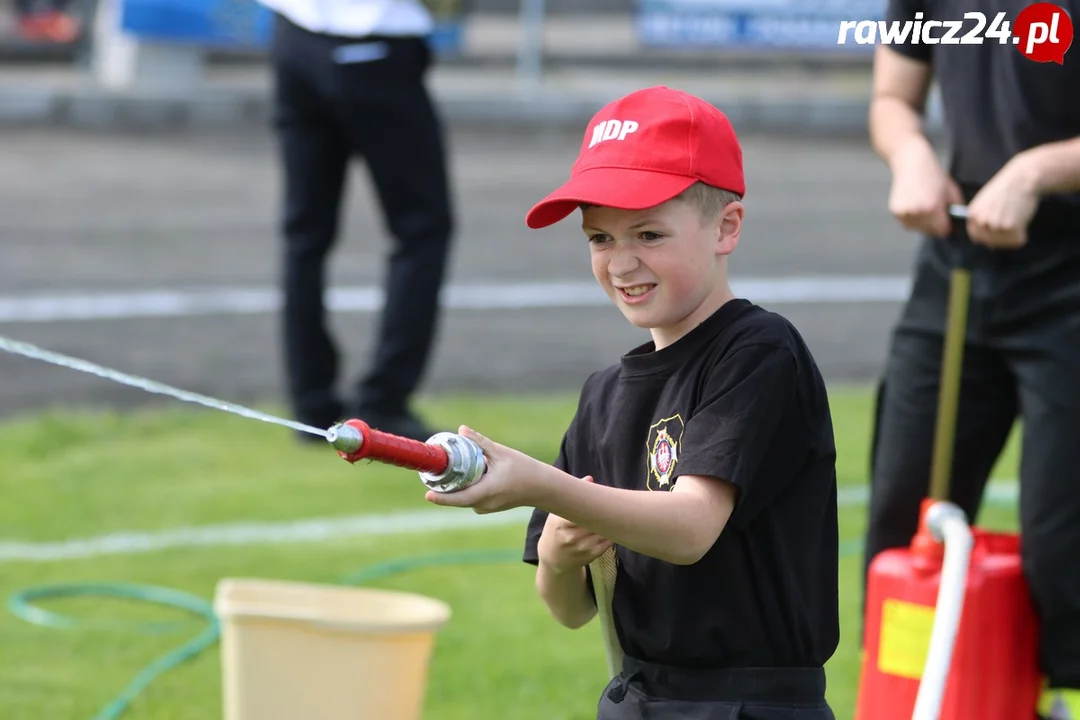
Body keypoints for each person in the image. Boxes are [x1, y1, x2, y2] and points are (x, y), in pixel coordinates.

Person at [424, 86, 840, 719]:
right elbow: (570, 610)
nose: (622, 262)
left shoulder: (757, 352)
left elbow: (692, 527)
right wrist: (561, 559)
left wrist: (541, 484)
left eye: (648, 233)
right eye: (600, 239)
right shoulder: (603, 397)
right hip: (637, 699)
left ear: (725, 227)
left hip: (750, 706)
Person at [863, 2, 1080, 717]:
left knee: (1064, 553)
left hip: (1070, 274)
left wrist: (1038, 170)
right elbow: (894, 98)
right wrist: (913, 154)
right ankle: (909, 702)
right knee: (903, 527)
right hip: (957, 267)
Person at [256, 0, 456, 441]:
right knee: (422, 229)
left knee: (304, 235)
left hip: (294, 35)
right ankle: (383, 400)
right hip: (372, 44)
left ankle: (311, 405)